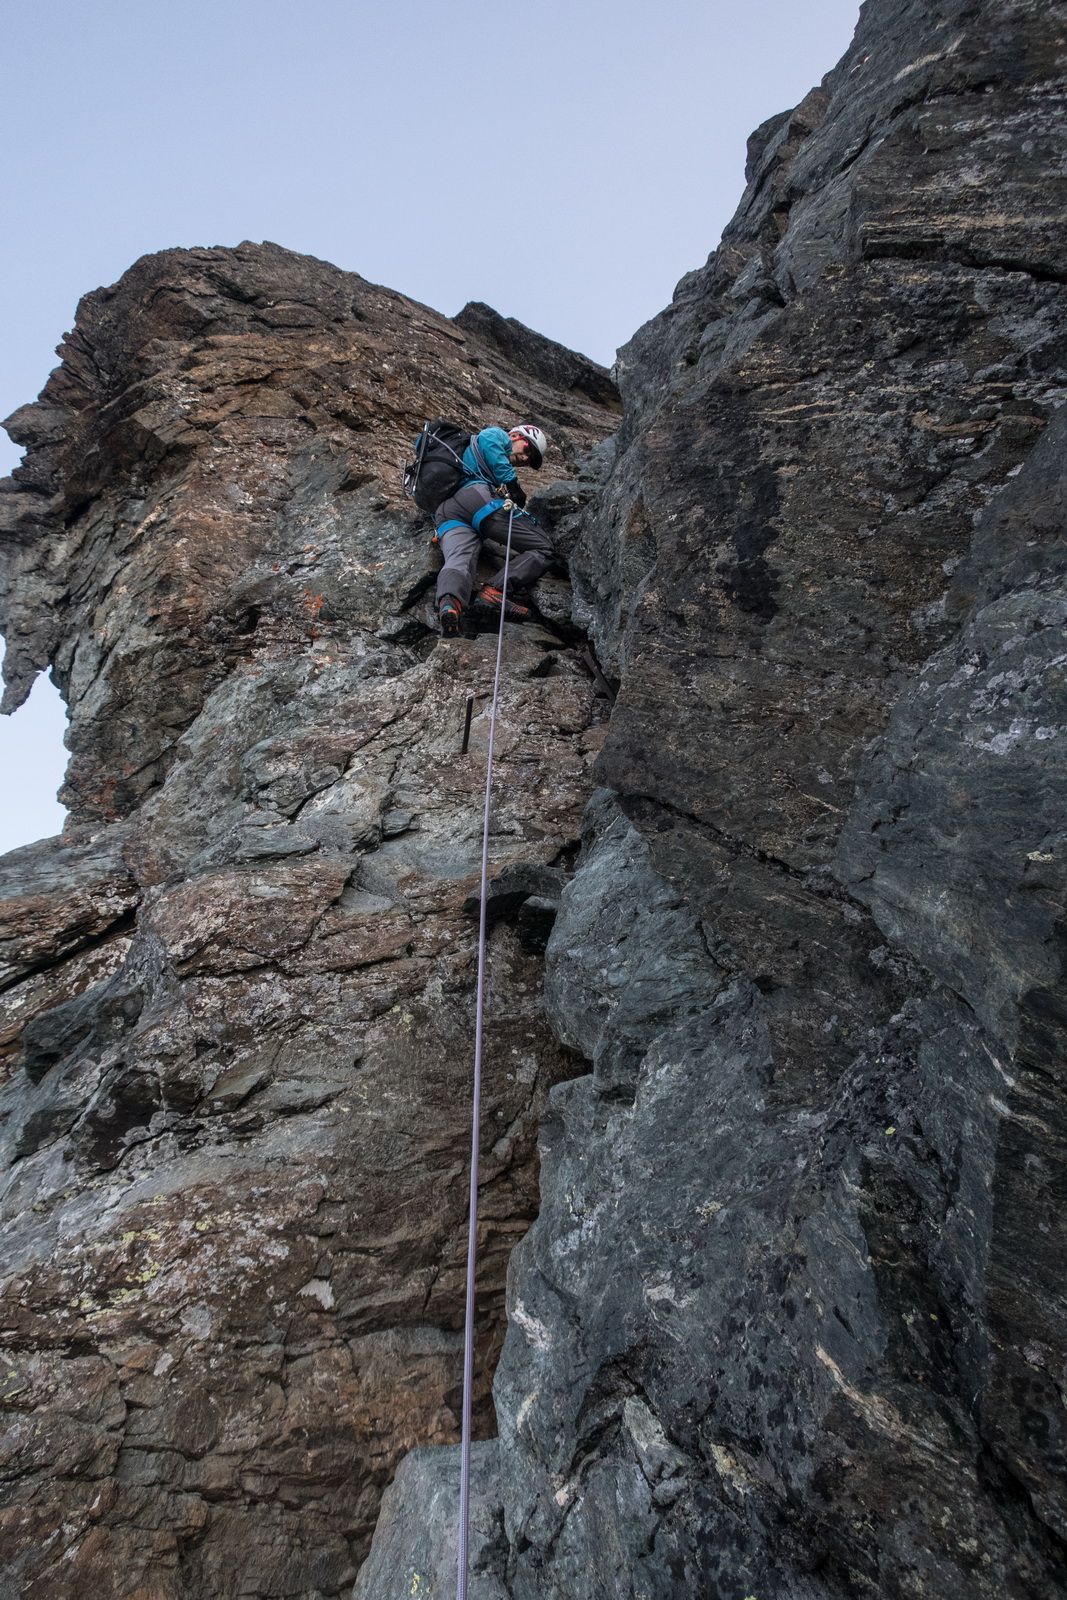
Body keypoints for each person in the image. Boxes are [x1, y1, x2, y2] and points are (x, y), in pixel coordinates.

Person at [433, 424, 553, 636]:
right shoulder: (497, 434)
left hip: (445, 512)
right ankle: (495, 591)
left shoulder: (466, 460)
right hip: (476, 498)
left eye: (530, 460)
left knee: (459, 557)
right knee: (544, 547)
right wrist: (512, 484)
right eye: (528, 450)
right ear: (515, 435)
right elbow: (489, 441)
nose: (525, 459)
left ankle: (450, 604)